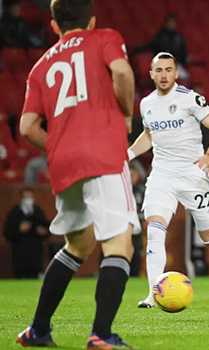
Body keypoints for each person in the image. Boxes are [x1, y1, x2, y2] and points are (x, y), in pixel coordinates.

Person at [16, 0, 139, 348]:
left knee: (78, 244)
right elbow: (123, 72)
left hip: (64, 163)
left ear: (54, 25)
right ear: (91, 20)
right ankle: (101, 334)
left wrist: (59, 144)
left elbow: (27, 127)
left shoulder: (40, 67)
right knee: (120, 244)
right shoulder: (104, 37)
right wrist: (126, 113)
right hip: (103, 154)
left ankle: (37, 331)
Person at [128, 52, 209, 309]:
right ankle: (152, 295)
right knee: (155, 229)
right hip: (161, 174)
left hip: (192, 173)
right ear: (151, 74)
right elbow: (148, 136)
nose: (163, 75)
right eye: (158, 70)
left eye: (168, 70)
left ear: (175, 73)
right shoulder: (146, 104)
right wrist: (126, 154)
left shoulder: (190, 98)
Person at [3, 186, 51, 278]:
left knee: (35, 277)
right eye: (26, 197)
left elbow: (47, 228)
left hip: (36, 253)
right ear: (21, 198)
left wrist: (44, 232)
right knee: (20, 276)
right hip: (20, 253)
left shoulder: (38, 211)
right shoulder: (14, 213)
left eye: (30, 197)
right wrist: (19, 230)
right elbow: (7, 232)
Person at [136, 15, 190, 81]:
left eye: (173, 23)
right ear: (165, 23)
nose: (171, 24)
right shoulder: (159, 36)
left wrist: (184, 61)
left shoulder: (178, 37)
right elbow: (151, 47)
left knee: (184, 77)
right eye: (169, 22)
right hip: (161, 63)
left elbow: (184, 51)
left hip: (175, 63)